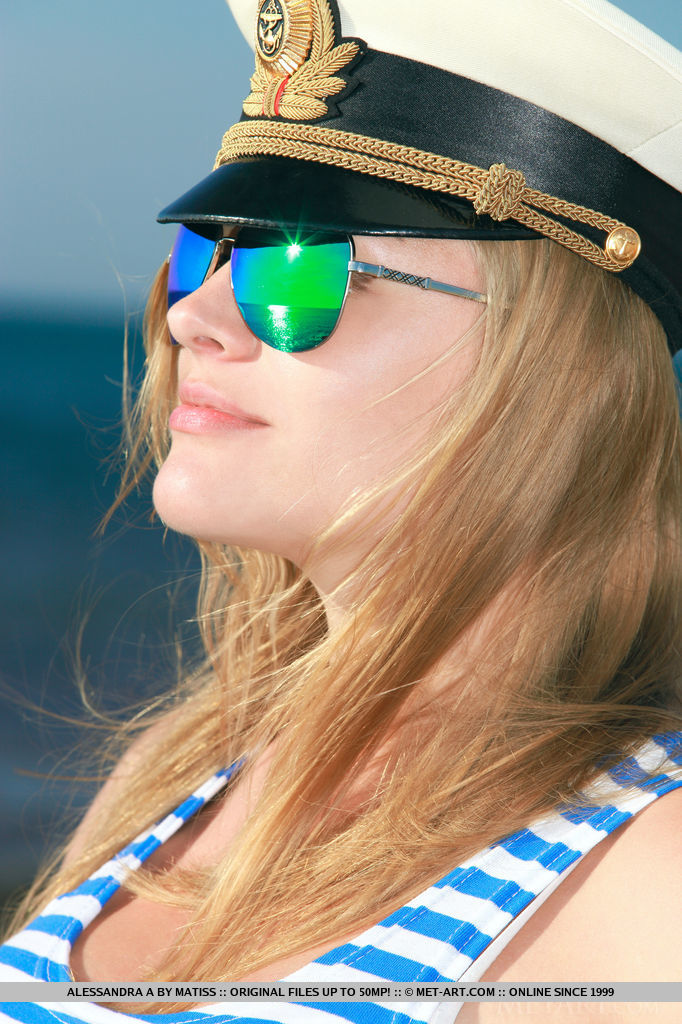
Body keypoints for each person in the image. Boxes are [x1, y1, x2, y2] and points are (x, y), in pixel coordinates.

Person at [1, 0, 681, 1021]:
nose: (192, 315)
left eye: (303, 266)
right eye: (210, 251)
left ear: (548, 374)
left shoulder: (640, 887)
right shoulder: (180, 774)